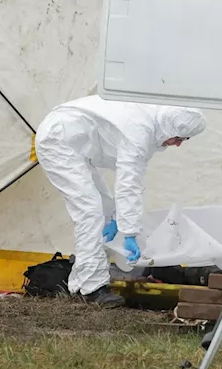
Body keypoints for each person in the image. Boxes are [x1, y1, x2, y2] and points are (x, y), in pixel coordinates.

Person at [34, 96, 207, 306]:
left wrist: (117, 218)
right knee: (90, 211)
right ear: (169, 128)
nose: (178, 144)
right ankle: (93, 289)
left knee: (103, 208)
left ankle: (81, 281)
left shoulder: (152, 125)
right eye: (179, 137)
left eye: (185, 139)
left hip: (71, 142)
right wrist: (130, 233)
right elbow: (128, 183)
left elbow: (134, 177)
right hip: (57, 141)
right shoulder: (140, 130)